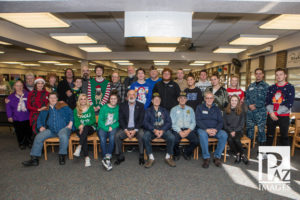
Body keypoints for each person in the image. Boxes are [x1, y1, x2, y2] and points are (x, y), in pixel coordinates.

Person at [22, 92, 73, 166]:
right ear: (48, 99)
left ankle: (62, 156)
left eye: (54, 97)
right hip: (51, 130)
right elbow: (39, 119)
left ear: (57, 99)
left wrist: (70, 124)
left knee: (63, 135)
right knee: (39, 136)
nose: (52, 99)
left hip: (64, 128)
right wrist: (40, 126)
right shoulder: (45, 109)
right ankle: (34, 159)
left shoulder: (63, 106)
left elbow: (72, 114)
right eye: (51, 97)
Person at [143, 93, 176, 168]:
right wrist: (154, 130)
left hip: (162, 129)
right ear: (152, 101)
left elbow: (169, 122)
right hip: (152, 130)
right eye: (155, 100)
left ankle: (168, 157)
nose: (157, 101)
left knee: (172, 137)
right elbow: (145, 122)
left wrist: (162, 130)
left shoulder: (165, 110)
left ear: (160, 101)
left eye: (158, 100)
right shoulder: (148, 110)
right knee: (145, 137)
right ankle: (151, 157)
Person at [196, 91, 228, 168]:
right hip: (203, 129)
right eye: (207, 98)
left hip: (215, 130)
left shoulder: (217, 109)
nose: (209, 100)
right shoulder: (199, 107)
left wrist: (216, 130)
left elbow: (220, 122)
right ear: (204, 99)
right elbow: (198, 120)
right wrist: (206, 129)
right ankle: (206, 158)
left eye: (211, 98)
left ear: (213, 99)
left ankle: (217, 157)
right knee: (202, 134)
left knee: (224, 135)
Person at [114, 90, 145, 165]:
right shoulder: (122, 105)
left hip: (137, 128)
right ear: (127, 97)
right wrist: (126, 130)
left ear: (136, 96)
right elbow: (120, 119)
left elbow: (141, 119)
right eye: (129, 95)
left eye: (133, 94)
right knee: (117, 135)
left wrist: (135, 130)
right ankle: (120, 156)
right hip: (126, 128)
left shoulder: (141, 105)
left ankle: (141, 155)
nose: (131, 96)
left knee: (142, 135)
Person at [266, 68, 295, 146]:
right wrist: (272, 112)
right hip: (271, 115)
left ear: (285, 75)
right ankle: (265, 154)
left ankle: (285, 157)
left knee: (284, 137)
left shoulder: (290, 87)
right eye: (277, 75)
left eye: (281, 74)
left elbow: (289, 104)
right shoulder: (271, 87)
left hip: (283, 116)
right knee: (269, 135)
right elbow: (267, 102)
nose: (278, 76)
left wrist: (276, 113)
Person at [170, 92, 198, 161]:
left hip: (188, 129)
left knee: (196, 141)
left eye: (184, 98)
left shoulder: (190, 109)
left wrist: (188, 130)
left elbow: (193, 122)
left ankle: (186, 152)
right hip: (177, 129)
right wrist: (179, 131)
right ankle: (176, 153)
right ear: (178, 99)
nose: (182, 99)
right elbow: (172, 123)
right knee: (174, 140)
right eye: (181, 98)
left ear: (186, 100)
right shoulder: (173, 109)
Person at [245, 68, 269, 147]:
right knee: (249, 129)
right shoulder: (251, 86)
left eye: (260, 73)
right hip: (250, 112)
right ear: (255, 75)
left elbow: (267, 99)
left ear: (263, 75)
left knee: (261, 130)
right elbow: (246, 97)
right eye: (257, 73)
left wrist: (255, 105)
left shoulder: (266, 86)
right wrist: (249, 105)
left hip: (260, 112)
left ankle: (261, 150)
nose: (258, 75)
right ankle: (249, 147)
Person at [6, 80, 32, 149]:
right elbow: (8, 108)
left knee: (28, 131)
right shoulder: (10, 97)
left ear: (23, 86)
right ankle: (21, 143)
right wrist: (9, 116)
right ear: (14, 87)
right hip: (17, 117)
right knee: (19, 132)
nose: (19, 87)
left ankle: (29, 142)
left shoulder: (28, 94)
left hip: (28, 117)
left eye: (21, 85)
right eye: (17, 85)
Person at [73, 94, 96, 167]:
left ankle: (79, 146)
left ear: (87, 100)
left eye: (84, 99)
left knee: (85, 129)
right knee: (84, 137)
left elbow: (93, 120)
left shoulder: (91, 108)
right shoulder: (76, 109)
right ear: (79, 101)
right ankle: (87, 158)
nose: (83, 100)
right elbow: (76, 121)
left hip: (90, 127)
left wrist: (83, 125)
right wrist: (80, 126)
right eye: (81, 99)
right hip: (80, 129)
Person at [223, 95, 248, 164]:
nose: (234, 102)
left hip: (238, 130)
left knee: (236, 139)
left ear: (238, 102)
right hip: (229, 130)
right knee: (230, 140)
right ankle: (237, 154)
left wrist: (235, 131)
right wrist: (231, 131)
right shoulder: (226, 111)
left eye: (235, 100)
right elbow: (224, 124)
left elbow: (242, 124)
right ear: (230, 101)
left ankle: (242, 154)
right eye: (232, 100)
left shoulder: (242, 111)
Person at [97, 93, 119, 171]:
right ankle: (105, 157)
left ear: (117, 100)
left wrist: (112, 127)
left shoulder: (118, 108)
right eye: (111, 98)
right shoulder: (104, 108)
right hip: (102, 127)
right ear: (109, 99)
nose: (113, 100)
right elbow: (100, 121)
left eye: (115, 99)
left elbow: (118, 121)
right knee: (102, 138)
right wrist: (106, 128)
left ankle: (108, 156)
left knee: (112, 137)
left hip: (113, 127)